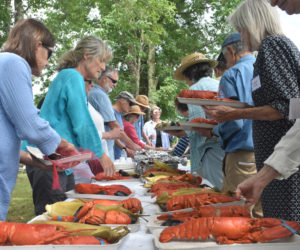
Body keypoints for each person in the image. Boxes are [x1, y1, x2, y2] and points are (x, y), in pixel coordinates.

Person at [204, 0, 300, 221]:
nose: (242, 37)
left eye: (241, 29)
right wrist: (241, 109)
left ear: (252, 24)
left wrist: (234, 113)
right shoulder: (274, 48)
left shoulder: (272, 45)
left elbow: (284, 108)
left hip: (284, 164)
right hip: (277, 160)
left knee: (283, 227)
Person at [23, 36, 115, 215]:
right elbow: (82, 123)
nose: (103, 67)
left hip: (60, 163)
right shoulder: (72, 76)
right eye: (101, 60)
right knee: (52, 221)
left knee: (70, 213)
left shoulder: (72, 78)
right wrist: (101, 154)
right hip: (48, 160)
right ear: (87, 55)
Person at [0, 18, 77, 221]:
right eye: (49, 53)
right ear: (37, 44)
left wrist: (36, 161)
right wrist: (62, 145)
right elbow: (30, 126)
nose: (48, 60)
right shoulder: (14, 62)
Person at [195, 33, 262, 217]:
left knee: (234, 213)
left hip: (241, 154)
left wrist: (214, 130)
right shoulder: (262, 67)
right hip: (266, 156)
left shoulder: (232, 74)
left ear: (231, 52)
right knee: (259, 215)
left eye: (225, 58)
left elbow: (233, 121)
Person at [173, 53, 224, 189]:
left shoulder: (194, 90)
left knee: (212, 192)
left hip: (209, 152)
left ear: (190, 73)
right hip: (225, 148)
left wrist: (179, 132)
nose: (185, 80)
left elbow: (198, 124)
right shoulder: (219, 84)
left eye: (185, 76)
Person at [88, 67, 141, 161]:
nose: (115, 85)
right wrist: (133, 146)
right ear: (104, 78)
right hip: (100, 155)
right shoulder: (100, 95)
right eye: (114, 81)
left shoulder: (96, 93)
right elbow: (114, 126)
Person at [112, 91, 142, 160]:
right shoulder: (112, 112)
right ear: (122, 100)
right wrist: (126, 148)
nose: (131, 107)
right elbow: (114, 136)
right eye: (130, 104)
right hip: (113, 155)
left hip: (120, 154)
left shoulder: (119, 114)